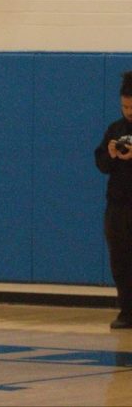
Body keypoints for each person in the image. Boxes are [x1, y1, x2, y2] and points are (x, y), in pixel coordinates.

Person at [95, 71, 132, 329]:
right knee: (119, 259)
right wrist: (109, 154)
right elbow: (101, 164)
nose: (128, 111)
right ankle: (127, 311)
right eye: (125, 106)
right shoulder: (115, 129)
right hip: (118, 206)